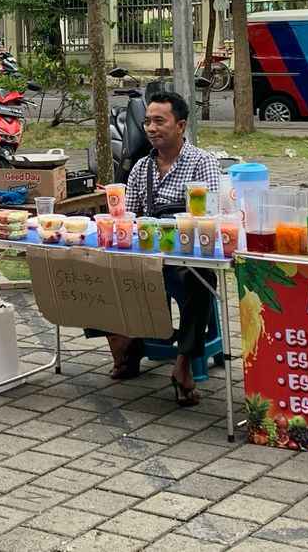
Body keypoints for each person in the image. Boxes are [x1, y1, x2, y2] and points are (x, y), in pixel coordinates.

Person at [102, 91, 223, 403]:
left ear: (180, 125)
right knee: (97, 267)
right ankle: (125, 346)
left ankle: (183, 364)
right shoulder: (142, 168)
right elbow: (133, 214)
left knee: (201, 279)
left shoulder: (202, 163)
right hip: (148, 255)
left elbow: (208, 218)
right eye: (147, 122)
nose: (151, 128)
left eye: (159, 121)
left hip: (185, 256)